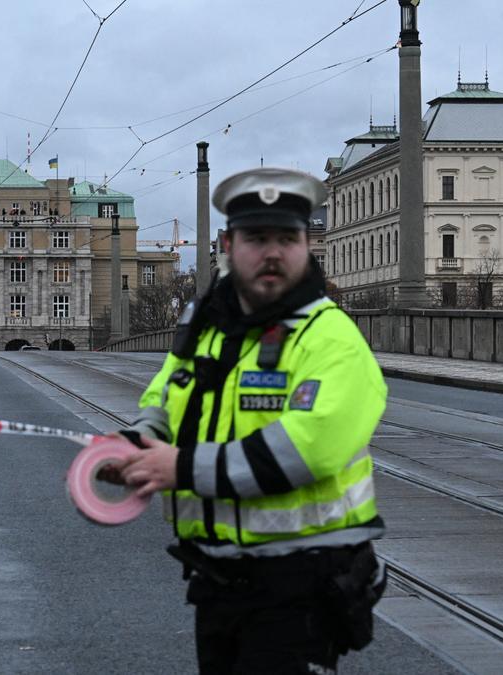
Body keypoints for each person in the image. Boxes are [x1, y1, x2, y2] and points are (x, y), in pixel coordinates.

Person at [102, 167, 388, 674]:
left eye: (288, 238)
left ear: (306, 245)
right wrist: (135, 443)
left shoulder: (330, 337)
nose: (273, 252)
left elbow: (310, 447)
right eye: (257, 238)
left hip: (302, 582)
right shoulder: (209, 329)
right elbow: (166, 400)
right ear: (230, 245)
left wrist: (182, 468)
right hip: (217, 579)